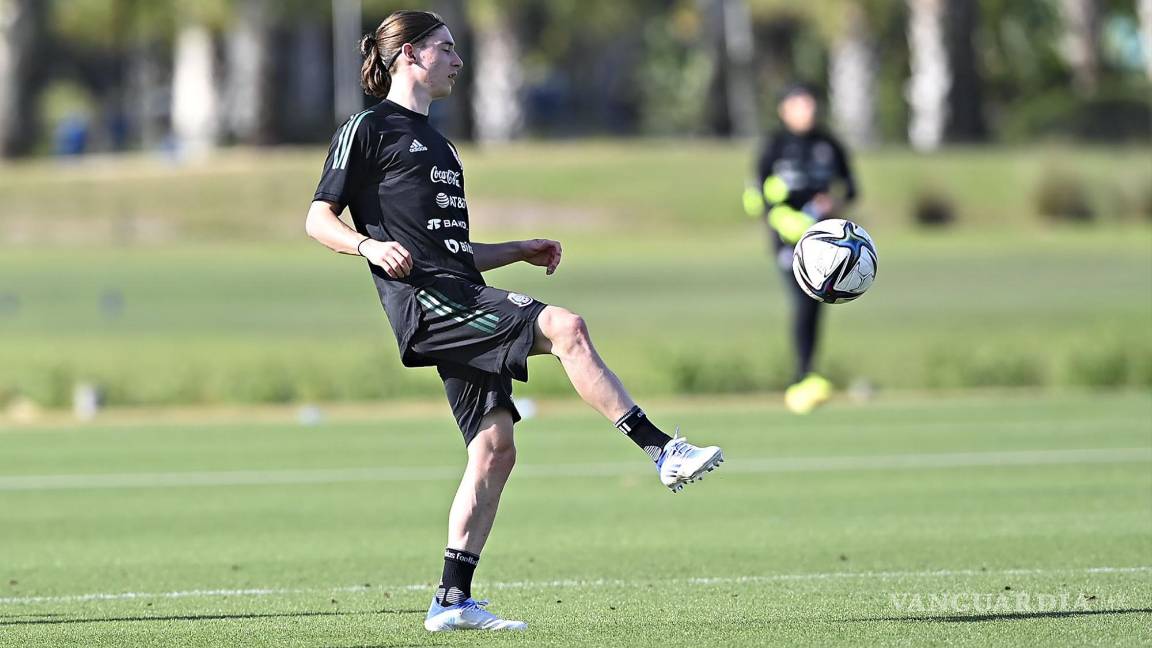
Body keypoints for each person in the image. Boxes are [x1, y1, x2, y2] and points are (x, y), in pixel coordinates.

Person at [305, 10, 724, 633]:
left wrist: (515, 251)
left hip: (459, 293)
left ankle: (451, 601)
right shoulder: (368, 127)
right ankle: (662, 449)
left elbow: (451, 251)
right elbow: (317, 219)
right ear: (412, 56)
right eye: (445, 49)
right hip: (427, 304)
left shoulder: (442, 146)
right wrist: (366, 246)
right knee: (566, 326)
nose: (457, 60)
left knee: (496, 449)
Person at [742, 84, 859, 415]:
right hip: (787, 242)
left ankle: (806, 375)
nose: (807, 110)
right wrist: (780, 214)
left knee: (815, 304)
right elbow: (755, 196)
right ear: (784, 110)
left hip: (825, 241)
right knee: (803, 300)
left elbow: (850, 188)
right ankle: (801, 376)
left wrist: (831, 203)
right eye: (798, 104)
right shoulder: (774, 147)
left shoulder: (829, 144)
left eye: (810, 103)